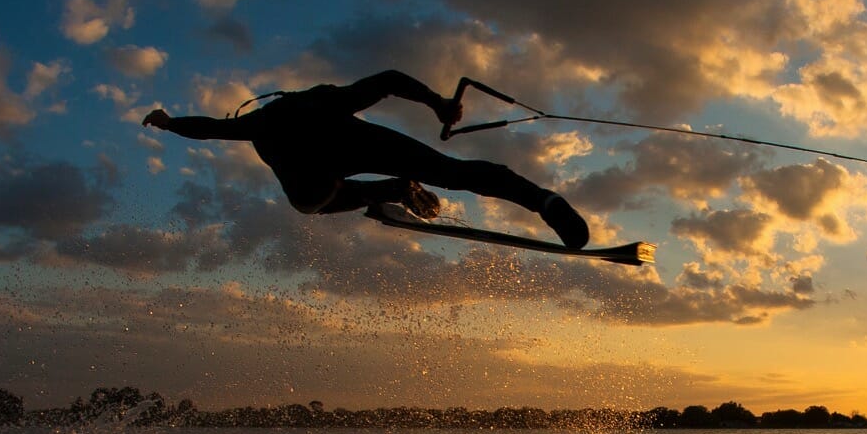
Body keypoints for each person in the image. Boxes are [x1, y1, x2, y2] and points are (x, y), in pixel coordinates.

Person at [141, 70, 589, 249]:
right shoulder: (311, 105)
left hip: (327, 167)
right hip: (346, 151)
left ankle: (391, 190)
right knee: (454, 173)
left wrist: (167, 122)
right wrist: (435, 103)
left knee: (306, 202)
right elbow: (389, 80)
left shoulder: (265, 123)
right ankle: (542, 201)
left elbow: (208, 128)